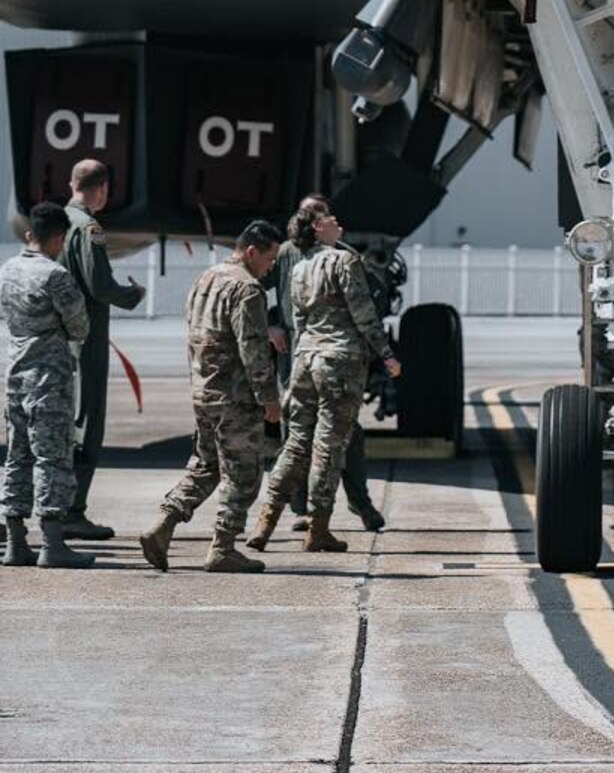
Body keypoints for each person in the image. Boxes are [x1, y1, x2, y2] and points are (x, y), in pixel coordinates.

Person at [248, 204, 400, 554]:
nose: (338, 222)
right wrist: (387, 355)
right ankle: (318, 528)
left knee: (297, 443)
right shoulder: (343, 262)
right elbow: (364, 315)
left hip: (304, 359)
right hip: (339, 362)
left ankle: (266, 521)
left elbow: (299, 321)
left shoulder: (299, 268)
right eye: (331, 219)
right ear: (318, 227)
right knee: (329, 447)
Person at [138, 219, 285, 574]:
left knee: (206, 466)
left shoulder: (205, 279)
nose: (271, 268)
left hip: (204, 392)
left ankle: (163, 523)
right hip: (235, 398)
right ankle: (223, 548)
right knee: (244, 475)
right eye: (270, 259)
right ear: (251, 252)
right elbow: (253, 350)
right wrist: (269, 398)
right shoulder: (248, 290)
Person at [1, 203, 92, 569]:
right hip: (48, 378)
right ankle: (53, 544)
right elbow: (80, 327)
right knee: (52, 457)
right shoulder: (56, 276)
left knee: (17, 457)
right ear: (58, 238)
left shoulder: (6, 271)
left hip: (15, 376)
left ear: (29, 234)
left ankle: (15, 542)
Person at [61, 157, 145, 539]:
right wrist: (133, 294)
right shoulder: (89, 227)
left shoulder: (58, 221)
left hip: (59, 337)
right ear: (103, 188)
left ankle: (57, 506)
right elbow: (100, 285)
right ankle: (73, 511)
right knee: (88, 421)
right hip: (87, 338)